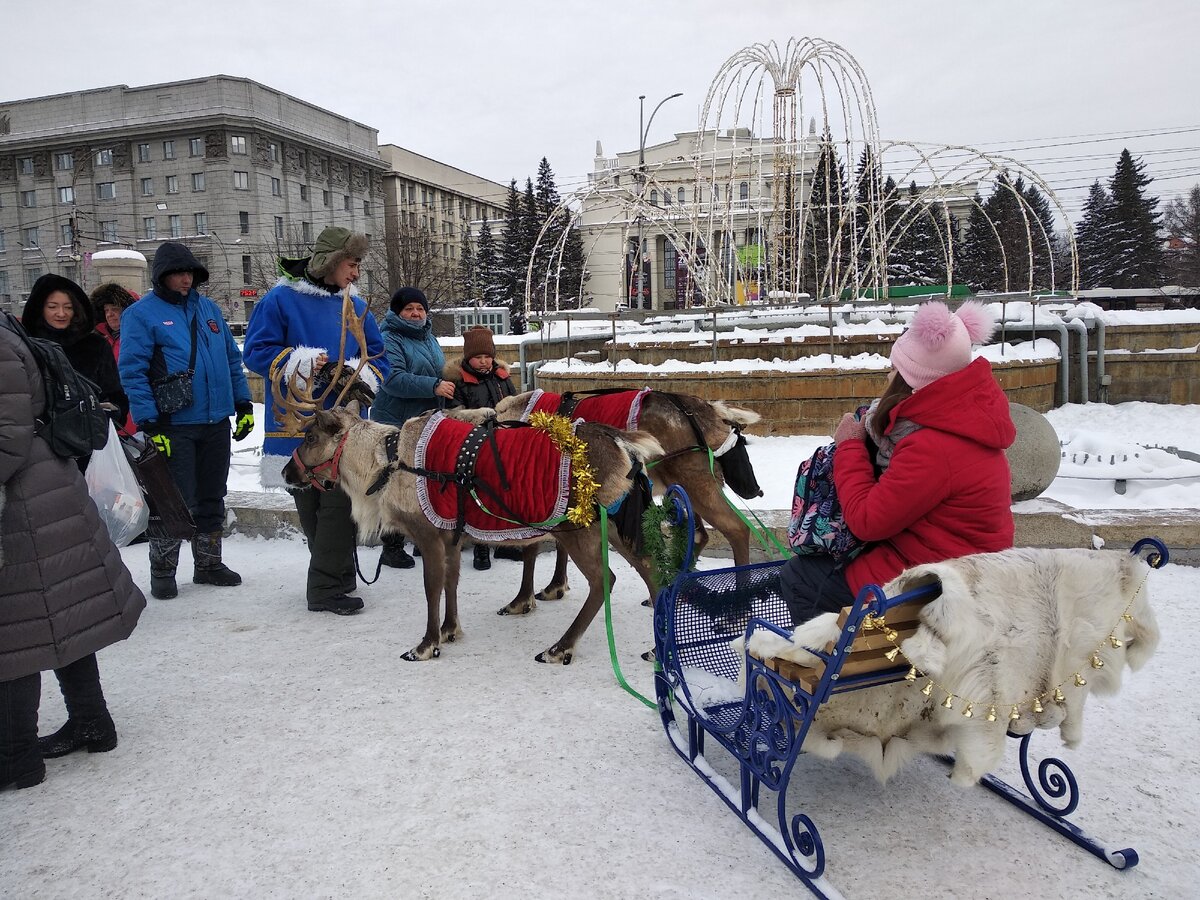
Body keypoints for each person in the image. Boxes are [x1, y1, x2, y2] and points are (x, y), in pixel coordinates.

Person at [781, 300, 1016, 626]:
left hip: (930, 584)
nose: (889, 374)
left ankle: (830, 667)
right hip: (960, 571)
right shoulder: (965, 420)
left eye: (895, 368)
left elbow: (866, 520)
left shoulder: (933, 447)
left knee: (800, 576)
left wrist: (849, 446)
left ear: (913, 379)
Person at [0, 317, 146, 791]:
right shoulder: (9, 334)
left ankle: (16, 757)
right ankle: (91, 721)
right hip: (47, 489)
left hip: (25, 501)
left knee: (14, 634)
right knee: (58, 619)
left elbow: (8, 437)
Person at [242, 227, 387, 616]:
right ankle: (335, 579)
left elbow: (378, 356)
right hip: (296, 422)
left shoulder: (354, 306)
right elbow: (256, 351)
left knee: (339, 506)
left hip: (345, 427)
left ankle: (325, 587)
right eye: (352, 264)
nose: (356, 274)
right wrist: (301, 362)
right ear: (332, 261)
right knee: (311, 510)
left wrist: (357, 380)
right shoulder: (279, 300)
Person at [119, 242, 254, 600]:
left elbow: (229, 359)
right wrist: (149, 424)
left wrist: (243, 404)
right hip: (172, 424)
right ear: (161, 276)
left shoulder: (207, 309)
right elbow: (133, 372)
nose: (186, 279)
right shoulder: (141, 314)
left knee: (212, 495)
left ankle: (208, 564)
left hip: (214, 421)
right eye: (179, 273)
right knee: (172, 500)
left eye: (190, 272)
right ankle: (163, 571)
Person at [370, 286, 452, 569]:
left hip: (425, 420)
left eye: (420, 308)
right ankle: (391, 547)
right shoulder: (387, 339)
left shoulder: (429, 337)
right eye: (409, 309)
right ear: (397, 312)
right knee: (395, 483)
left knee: (424, 480)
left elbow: (438, 369)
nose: (416, 313)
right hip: (396, 422)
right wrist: (434, 386)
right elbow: (392, 378)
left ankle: (422, 538)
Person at [21, 273, 129, 457]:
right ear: (40, 308)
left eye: (68, 307)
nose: (61, 313)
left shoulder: (95, 345)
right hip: (38, 448)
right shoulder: (26, 346)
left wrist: (107, 413)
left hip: (88, 447)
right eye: (53, 307)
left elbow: (115, 396)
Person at [449, 326, 520, 569]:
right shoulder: (458, 381)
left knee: (505, 489)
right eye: (478, 357)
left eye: (487, 356)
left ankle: (503, 543)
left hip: (504, 440)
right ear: (468, 358)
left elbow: (515, 403)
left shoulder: (502, 377)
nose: (483, 362)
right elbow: (454, 415)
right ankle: (481, 547)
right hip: (475, 444)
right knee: (480, 492)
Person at [90, 282, 139, 436]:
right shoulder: (98, 341)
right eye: (106, 310)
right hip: (109, 417)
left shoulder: (141, 339)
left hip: (136, 414)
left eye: (115, 309)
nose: (110, 314)